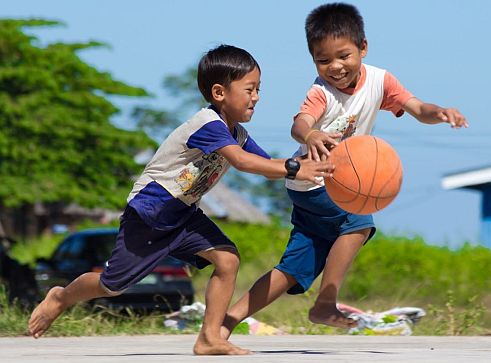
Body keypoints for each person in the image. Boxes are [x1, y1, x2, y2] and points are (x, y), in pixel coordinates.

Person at [28, 44, 333, 356]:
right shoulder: (208, 124)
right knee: (112, 285)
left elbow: (268, 166)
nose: (256, 97)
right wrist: (296, 167)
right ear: (219, 92)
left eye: (259, 89)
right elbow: (243, 163)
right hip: (151, 212)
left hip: (184, 214)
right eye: (250, 89)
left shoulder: (236, 133)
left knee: (227, 260)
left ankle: (209, 338)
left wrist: (314, 159)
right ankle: (61, 297)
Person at [221, 2, 467, 336]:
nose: (335, 67)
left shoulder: (380, 81)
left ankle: (226, 322)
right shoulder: (320, 93)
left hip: (324, 185)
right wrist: (311, 133)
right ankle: (325, 303)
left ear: (363, 48)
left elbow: (416, 107)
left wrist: (438, 112)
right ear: (313, 61)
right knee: (358, 222)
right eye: (323, 61)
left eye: (343, 56)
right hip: (314, 180)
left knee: (294, 268)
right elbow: (299, 125)